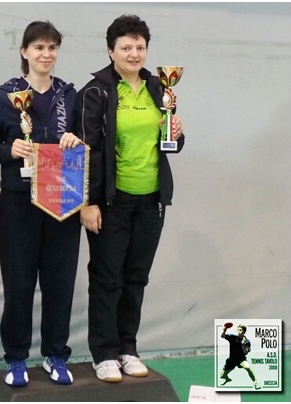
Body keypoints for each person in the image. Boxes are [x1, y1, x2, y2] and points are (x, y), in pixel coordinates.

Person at [76, 15, 185, 383]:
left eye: (140, 47)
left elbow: (171, 144)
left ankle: (128, 348)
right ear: (111, 51)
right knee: (107, 278)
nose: (134, 53)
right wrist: (88, 202)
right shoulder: (96, 91)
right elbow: (88, 149)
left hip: (151, 199)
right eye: (126, 47)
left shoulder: (158, 88)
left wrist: (177, 132)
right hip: (111, 199)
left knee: (136, 277)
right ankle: (104, 354)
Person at [0, 21, 83, 387]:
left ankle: (56, 355)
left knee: (60, 282)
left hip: (62, 199)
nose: (46, 54)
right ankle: (16, 359)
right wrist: (10, 150)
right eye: (39, 47)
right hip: (18, 204)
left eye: (53, 47)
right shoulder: (5, 95)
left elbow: (88, 144)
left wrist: (75, 138)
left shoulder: (70, 95)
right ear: (24, 51)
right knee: (19, 283)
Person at [220, 324, 260, 389]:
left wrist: (243, 345)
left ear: (244, 332)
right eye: (238, 330)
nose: (238, 331)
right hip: (231, 360)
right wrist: (224, 330)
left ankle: (255, 382)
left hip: (241, 359)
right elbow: (222, 336)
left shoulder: (247, 341)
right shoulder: (232, 337)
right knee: (222, 376)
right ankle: (227, 379)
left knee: (248, 368)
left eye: (240, 330)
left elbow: (245, 353)